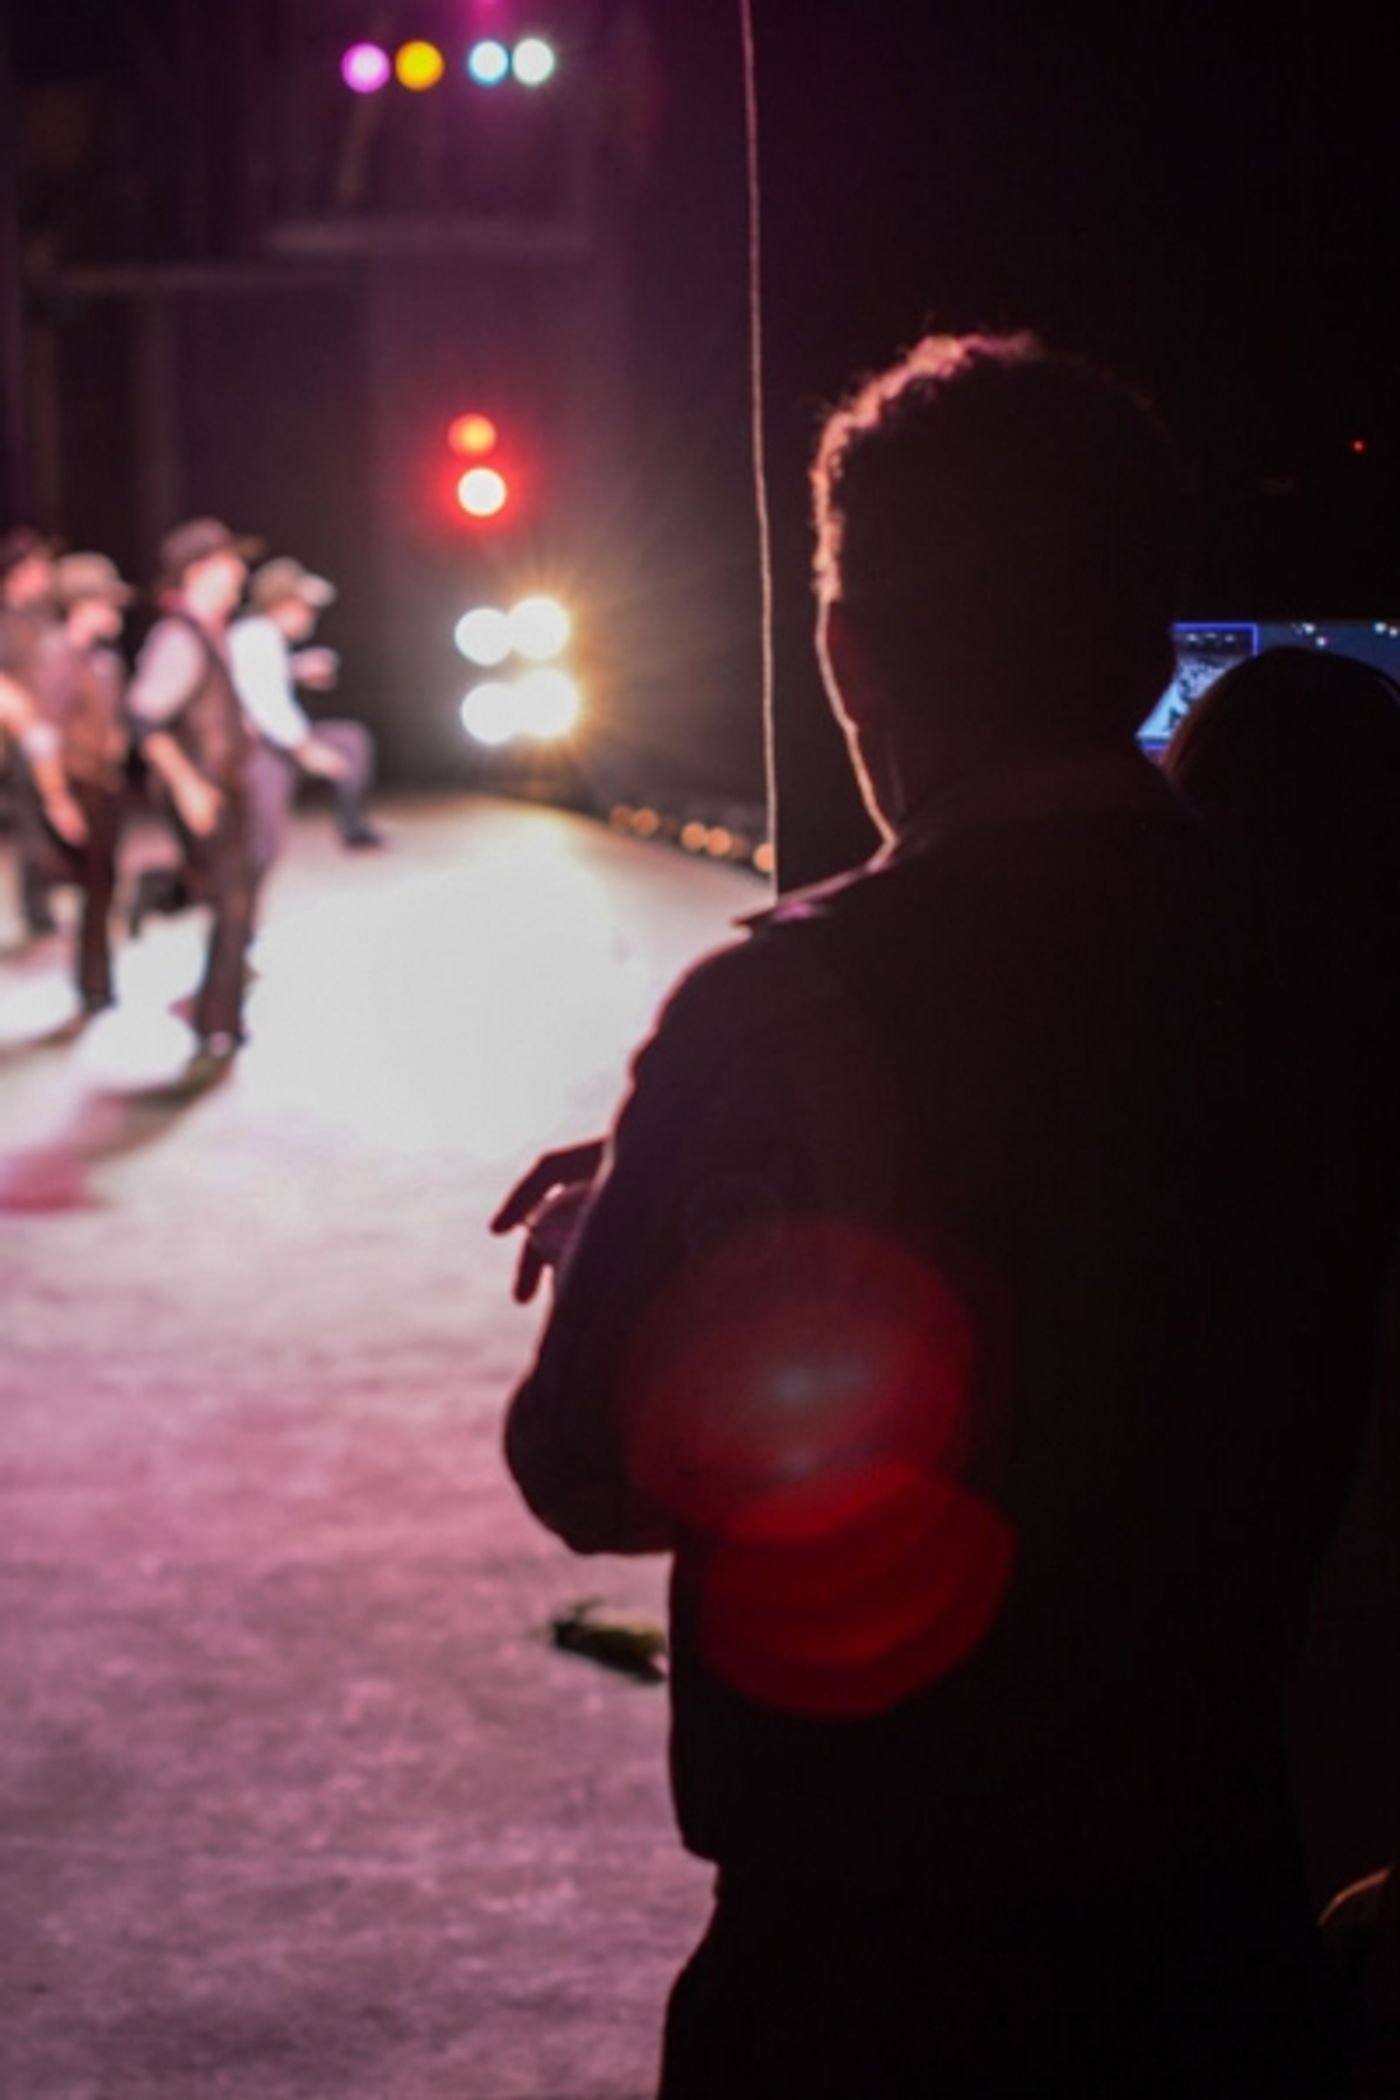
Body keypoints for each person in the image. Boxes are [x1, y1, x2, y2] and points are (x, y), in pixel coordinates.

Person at [497, 334, 1363, 2096]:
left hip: (875, 1973)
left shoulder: (782, 1016)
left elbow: (582, 1468)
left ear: (846, 650)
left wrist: (646, 1242)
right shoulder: (1331, 972)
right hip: (1233, 1948)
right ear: (1147, 647)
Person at [126, 516, 260, 1066]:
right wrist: (188, 788)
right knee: (233, 901)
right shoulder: (177, 638)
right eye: (229, 563)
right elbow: (144, 720)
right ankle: (217, 1022)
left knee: (230, 895)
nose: (239, 573)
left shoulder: (211, 631)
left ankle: (162, 890)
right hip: (200, 791)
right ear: (200, 571)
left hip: (224, 786)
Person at [7, 553, 134, 1015]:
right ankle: (94, 985)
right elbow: (44, 735)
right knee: (89, 881)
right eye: (105, 602)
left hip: (101, 784)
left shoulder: (100, 659)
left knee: (101, 887)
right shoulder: (58, 655)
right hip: (76, 785)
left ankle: (96, 982)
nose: (114, 611)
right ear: (82, 605)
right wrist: (58, 798)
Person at [228, 555, 385, 893]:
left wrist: (296, 668)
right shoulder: (257, 637)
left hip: (265, 746)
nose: (310, 617)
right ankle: (173, 890)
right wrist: (307, 751)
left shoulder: (261, 637)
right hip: (256, 752)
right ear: (282, 605)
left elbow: (261, 678)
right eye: (304, 607)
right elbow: (267, 704)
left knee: (351, 739)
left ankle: (354, 827)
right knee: (260, 848)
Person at [1, 525, 81, 934]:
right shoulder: (5, 621)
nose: (46, 575)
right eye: (38, 567)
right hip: (19, 735)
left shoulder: (43, 615)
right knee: (34, 818)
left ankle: (47, 900)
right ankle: (37, 910)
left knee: (56, 815)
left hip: (52, 731)